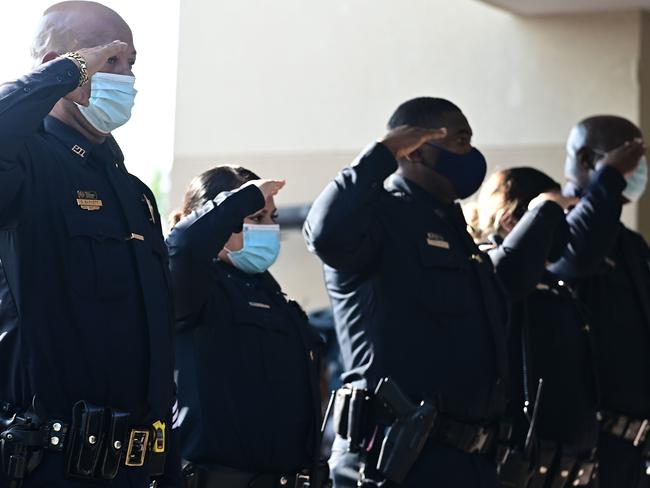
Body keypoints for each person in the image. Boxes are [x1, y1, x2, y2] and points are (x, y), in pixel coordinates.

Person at [0, 2, 179, 487]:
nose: (125, 76)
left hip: (139, 466)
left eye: (131, 63)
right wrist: (66, 72)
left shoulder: (133, 192)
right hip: (52, 467)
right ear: (56, 66)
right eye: (108, 60)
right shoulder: (24, 165)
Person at [303, 97, 511, 488]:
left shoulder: (457, 234)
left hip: (467, 462)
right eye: (461, 141)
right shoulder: (379, 216)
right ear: (415, 149)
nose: (472, 154)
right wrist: (381, 153)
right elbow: (326, 233)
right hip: (395, 460)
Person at [166, 166, 329, 488]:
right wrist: (244, 198)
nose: (269, 227)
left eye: (273, 217)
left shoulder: (275, 298)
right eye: (256, 217)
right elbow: (183, 246)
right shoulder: (195, 289)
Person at [469, 167, 604, 487]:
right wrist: (545, 211)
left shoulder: (556, 287)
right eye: (555, 217)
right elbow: (506, 277)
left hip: (563, 466)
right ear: (510, 221)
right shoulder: (487, 273)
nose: (564, 228)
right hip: (510, 464)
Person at [549, 116, 649, 488]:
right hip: (583, 452)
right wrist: (610, 178)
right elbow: (574, 257)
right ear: (590, 159)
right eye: (631, 157)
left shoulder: (631, 245)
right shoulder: (554, 221)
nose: (639, 169)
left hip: (631, 451)